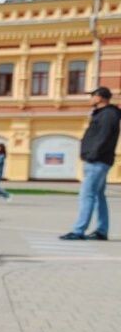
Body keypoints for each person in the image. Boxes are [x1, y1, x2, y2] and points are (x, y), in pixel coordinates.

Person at [61, 86, 121, 240]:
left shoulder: (108, 114)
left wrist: (92, 155)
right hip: (98, 160)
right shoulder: (103, 114)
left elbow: (104, 137)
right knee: (98, 196)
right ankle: (101, 230)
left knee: (87, 195)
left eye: (92, 96)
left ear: (100, 97)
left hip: (97, 161)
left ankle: (79, 230)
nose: (90, 98)